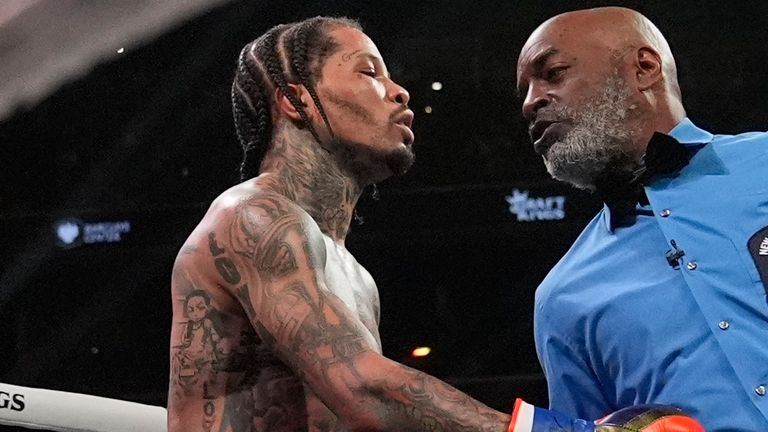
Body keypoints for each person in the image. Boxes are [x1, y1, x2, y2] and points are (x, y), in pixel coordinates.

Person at [167, 15, 703, 432]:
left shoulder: (353, 274)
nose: (399, 92)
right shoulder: (251, 215)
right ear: (294, 100)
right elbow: (366, 392)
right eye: (369, 71)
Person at [516, 6, 768, 431]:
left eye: (553, 73)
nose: (530, 102)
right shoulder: (561, 298)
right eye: (525, 89)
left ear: (645, 68)